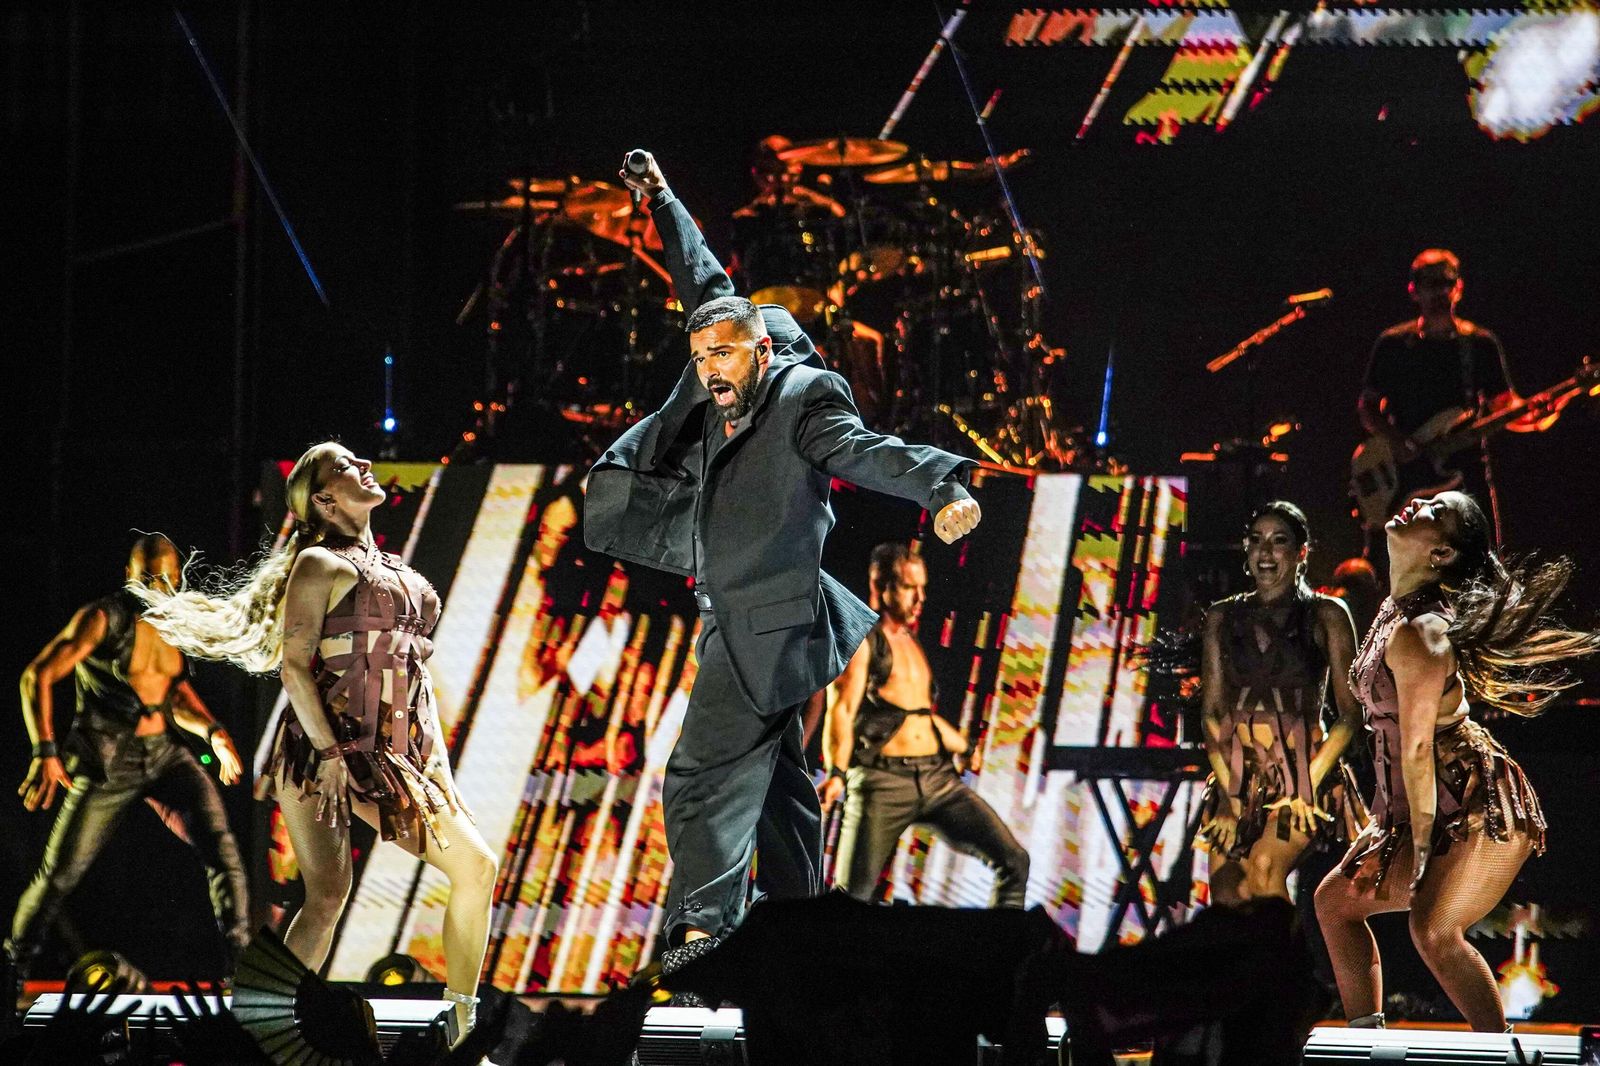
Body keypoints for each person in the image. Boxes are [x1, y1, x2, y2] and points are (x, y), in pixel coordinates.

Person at [587, 151, 982, 981]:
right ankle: (808, 942)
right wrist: (663, 199)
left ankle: (705, 944)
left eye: (726, 356)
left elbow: (868, 451)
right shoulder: (719, 369)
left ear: (763, 349)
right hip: (743, 618)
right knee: (779, 795)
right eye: (701, 358)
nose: (710, 371)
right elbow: (703, 281)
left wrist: (941, 487)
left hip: (765, 622)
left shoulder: (805, 399)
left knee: (700, 779)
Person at [132, 444, 497, 1043]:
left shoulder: (398, 571)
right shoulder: (318, 563)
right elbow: (296, 668)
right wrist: (329, 755)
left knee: (470, 868)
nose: (365, 467)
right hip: (320, 750)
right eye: (346, 466)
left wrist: (442, 776)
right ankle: (259, 1026)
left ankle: (461, 1028)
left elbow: (417, 684)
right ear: (325, 500)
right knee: (329, 894)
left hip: (391, 754)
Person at [1313, 491, 1599, 1031]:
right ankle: (1365, 1043)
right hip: (1425, 799)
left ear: (1441, 554)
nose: (1418, 501)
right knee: (1335, 904)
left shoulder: (1422, 632)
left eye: (1435, 511)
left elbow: (1418, 750)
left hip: (1475, 804)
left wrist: (1412, 847)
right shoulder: (1394, 611)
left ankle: (1499, 1052)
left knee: (1434, 928)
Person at [9, 534, 249, 980]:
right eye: (147, 577)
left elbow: (173, 693)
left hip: (164, 756)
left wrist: (213, 732)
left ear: (178, 579)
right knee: (60, 874)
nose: (156, 587)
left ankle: (241, 970)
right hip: (109, 760)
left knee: (223, 850)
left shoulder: (177, 621)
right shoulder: (103, 618)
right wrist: (45, 751)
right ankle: (12, 968)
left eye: (166, 579)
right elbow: (36, 676)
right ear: (128, 575)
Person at [822, 542, 1028, 907]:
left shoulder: (911, 642)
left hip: (937, 780)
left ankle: (1002, 942)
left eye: (922, 588)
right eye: (908, 587)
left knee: (1014, 861)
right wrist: (837, 773)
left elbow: (919, 716)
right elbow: (842, 710)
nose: (920, 598)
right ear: (881, 587)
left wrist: (963, 746)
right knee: (850, 900)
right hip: (883, 782)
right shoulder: (865, 642)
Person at [1197, 502, 1367, 906]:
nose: (1266, 552)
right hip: (1238, 775)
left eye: (1278, 541)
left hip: (1305, 772)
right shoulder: (1222, 617)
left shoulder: (1326, 614)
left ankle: (1285, 951)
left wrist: (1306, 786)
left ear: (1301, 552)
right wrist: (1229, 797)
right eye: (1257, 541)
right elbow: (1211, 714)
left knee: (1263, 870)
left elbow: (1349, 715)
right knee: (1227, 892)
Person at [1357, 249, 1524, 540]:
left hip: (1467, 475)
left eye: (1447, 283)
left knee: (1479, 562)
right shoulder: (1393, 344)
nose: (1440, 292)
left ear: (1459, 288)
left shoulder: (1480, 343)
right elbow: (1367, 407)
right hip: (1407, 481)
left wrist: (1545, 409)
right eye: (1431, 284)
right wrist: (1397, 441)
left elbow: (1505, 407)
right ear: (1414, 290)